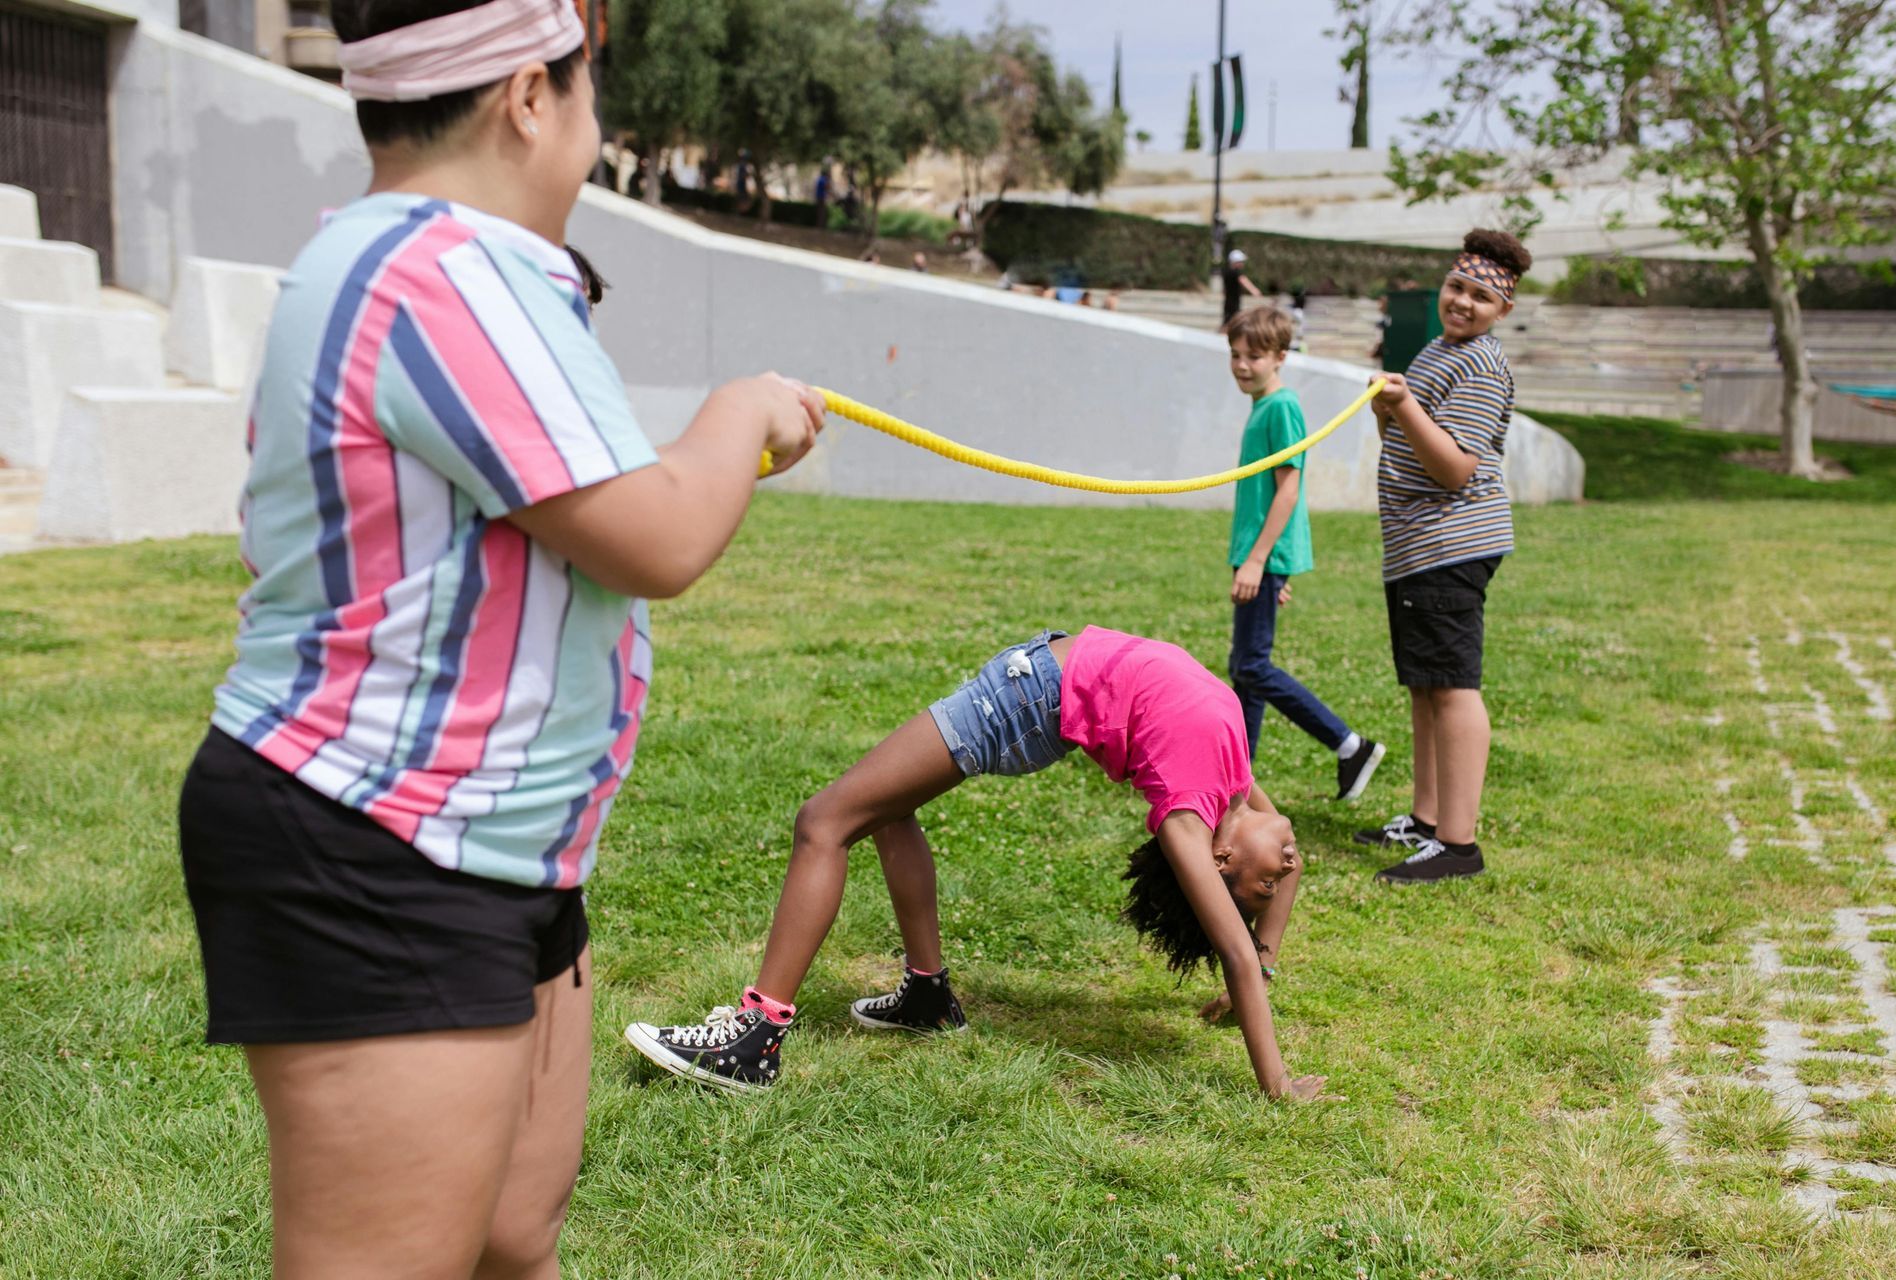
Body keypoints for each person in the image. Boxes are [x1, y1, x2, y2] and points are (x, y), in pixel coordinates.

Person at [174, 0, 822, 1273]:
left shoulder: (434, 261)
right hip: (378, 841)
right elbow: (662, 533)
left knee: (515, 1235)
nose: (597, 122)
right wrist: (741, 413)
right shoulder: (438, 273)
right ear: (531, 95)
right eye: (591, 87)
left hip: (496, 841)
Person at [624, 627, 1333, 1103]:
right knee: (884, 809)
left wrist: (1275, 1079)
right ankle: (928, 998)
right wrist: (1267, 959)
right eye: (1274, 877)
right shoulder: (1232, 782)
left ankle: (755, 1038)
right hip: (1029, 689)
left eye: (1263, 879)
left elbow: (1234, 953)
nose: (1289, 862)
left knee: (823, 821)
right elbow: (1275, 898)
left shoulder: (1189, 817)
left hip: (1020, 703)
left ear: (1220, 860)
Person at [1355, 228, 1530, 884]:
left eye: (1481, 296)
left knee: (1453, 687)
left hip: (1451, 544)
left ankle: (1457, 845)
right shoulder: (1437, 350)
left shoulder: (1482, 364)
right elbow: (1403, 434)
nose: (1462, 302)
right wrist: (1390, 405)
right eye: (1456, 287)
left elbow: (1455, 467)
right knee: (1425, 683)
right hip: (1416, 547)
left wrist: (1402, 404)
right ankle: (1426, 822)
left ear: (1502, 311)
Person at [1224, 307, 1384, 801]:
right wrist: (1270, 567)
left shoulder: (1281, 408)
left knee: (1251, 666)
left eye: (1254, 356)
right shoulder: (1261, 407)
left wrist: (1261, 561)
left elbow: (1289, 491)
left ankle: (1349, 744)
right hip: (1260, 557)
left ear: (1280, 357)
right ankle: (1237, 783)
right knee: (1245, 670)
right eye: (1235, 355)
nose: (1242, 365)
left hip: (1260, 556)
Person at [1222, 247, 1262, 326]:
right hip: (1233, 302)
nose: (1242, 264)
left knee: (1229, 321)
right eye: (1240, 261)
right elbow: (1243, 280)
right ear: (1235, 262)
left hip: (1229, 301)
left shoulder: (1226, 271)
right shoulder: (1235, 272)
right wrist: (1254, 290)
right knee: (1230, 322)